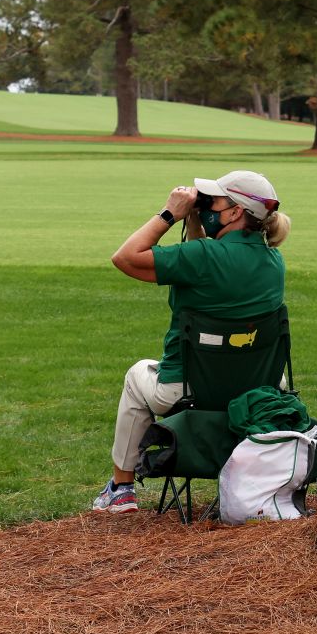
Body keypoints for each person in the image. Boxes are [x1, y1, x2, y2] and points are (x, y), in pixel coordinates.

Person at [95, 169, 292, 514]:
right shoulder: (274, 262)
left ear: (234, 212)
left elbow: (125, 258)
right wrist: (200, 222)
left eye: (212, 201)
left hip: (186, 391)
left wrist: (170, 214)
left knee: (136, 375)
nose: (207, 207)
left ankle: (121, 489)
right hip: (256, 389)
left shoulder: (200, 258)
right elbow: (211, 259)